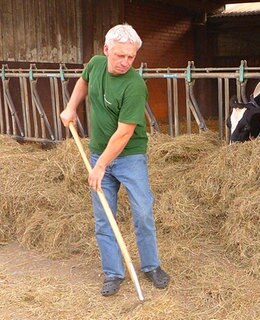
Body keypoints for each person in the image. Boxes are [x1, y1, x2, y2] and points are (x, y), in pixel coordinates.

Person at [60, 23, 169, 296]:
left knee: (142, 211)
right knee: (103, 217)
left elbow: (124, 134)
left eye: (131, 57)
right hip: (99, 151)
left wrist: (100, 166)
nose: (125, 62)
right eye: (120, 55)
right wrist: (71, 107)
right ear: (106, 50)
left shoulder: (134, 85)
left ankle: (151, 266)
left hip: (129, 156)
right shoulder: (95, 65)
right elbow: (84, 80)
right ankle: (113, 273)